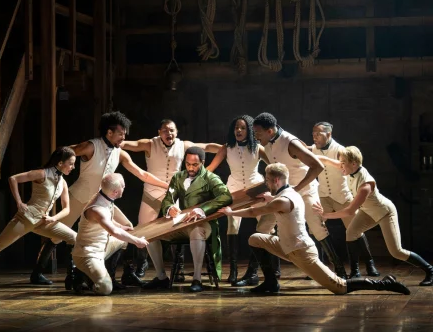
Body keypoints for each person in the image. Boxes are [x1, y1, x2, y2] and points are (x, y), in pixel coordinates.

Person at [218, 163, 410, 295]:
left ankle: (385, 284)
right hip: (286, 246)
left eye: (268, 180)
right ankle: (270, 282)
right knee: (255, 238)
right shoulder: (288, 192)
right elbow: (274, 203)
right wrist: (269, 198)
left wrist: (230, 212)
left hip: (301, 252)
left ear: (276, 181)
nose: (266, 184)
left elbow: (255, 211)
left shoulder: (284, 200)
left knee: (340, 287)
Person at [29, 111, 168, 289]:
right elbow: (63, 153)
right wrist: (46, 174)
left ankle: (120, 275)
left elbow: (141, 173)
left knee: (128, 227)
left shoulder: (120, 153)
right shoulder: (90, 146)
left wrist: (166, 185)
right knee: (57, 237)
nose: (123, 137)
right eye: (121, 133)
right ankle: (40, 273)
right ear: (109, 133)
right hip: (78, 198)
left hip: (100, 202)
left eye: (125, 134)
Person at [0, 147, 78, 293]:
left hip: (44, 221)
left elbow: (67, 209)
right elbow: (13, 179)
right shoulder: (41, 174)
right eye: (71, 164)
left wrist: (53, 218)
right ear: (60, 163)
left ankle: (69, 278)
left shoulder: (62, 182)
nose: (73, 167)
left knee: (73, 237)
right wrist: (19, 202)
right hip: (26, 218)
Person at [313, 146, 433, 287]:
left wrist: (325, 214)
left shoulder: (366, 185)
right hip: (368, 211)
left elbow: (350, 211)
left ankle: (430, 270)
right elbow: (325, 159)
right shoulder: (349, 167)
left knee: (396, 251)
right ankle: (354, 273)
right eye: (341, 162)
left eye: (343, 162)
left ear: (354, 163)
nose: (341, 165)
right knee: (351, 233)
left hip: (384, 212)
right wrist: (306, 155)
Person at [121, 119, 220, 280]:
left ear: (177, 132)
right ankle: (146, 266)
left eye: (172, 130)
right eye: (166, 130)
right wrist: (115, 143)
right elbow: (130, 144)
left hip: (174, 193)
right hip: (151, 192)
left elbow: (207, 147)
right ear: (159, 132)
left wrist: (225, 148)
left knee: (177, 227)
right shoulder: (150, 144)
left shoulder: (183, 145)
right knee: (143, 230)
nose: (169, 134)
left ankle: (178, 268)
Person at [253, 113, 347, 279]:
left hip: (304, 191)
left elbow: (317, 166)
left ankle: (340, 272)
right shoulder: (267, 143)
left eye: (258, 133)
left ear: (269, 131)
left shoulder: (290, 142)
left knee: (317, 228)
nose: (256, 137)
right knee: (262, 229)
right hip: (284, 194)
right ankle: (269, 276)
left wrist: (297, 188)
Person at [142, 146, 232, 292]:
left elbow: (226, 196)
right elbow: (167, 199)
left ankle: (197, 279)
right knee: (150, 236)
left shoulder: (210, 178)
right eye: (188, 164)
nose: (191, 167)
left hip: (204, 224)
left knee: (196, 231)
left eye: (195, 164)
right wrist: (169, 207)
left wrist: (204, 209)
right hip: (181, 224)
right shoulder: (178, 177)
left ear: (202, 162)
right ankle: (161, 277)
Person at [206, 115, 272, 286]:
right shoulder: (227, 148)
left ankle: (264, 269)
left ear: (249, 130)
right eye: (236, 127)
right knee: (232, 226)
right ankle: (233, 271)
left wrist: (271, 187)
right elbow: (210, 169)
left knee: (265, 228)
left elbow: (274, 166)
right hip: (234, 190)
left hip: (256, 189)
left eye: (242, 128)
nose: (239, 131)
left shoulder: (257, 148)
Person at [310, 121, 379, 278]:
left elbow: (343, 167)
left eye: (318, 134)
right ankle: (318, 265)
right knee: (316, 227)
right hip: (323, 195)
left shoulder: (341, 150)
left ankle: (369, 264)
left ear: (329, 134)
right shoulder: (312, 149)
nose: (315, 137)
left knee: (355, 230)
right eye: (313, 134)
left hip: (342, 194)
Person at [72, 173, 149, 295]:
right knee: (105, 288)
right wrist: (136, 241)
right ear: (114, 192)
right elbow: (113, 231)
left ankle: (115, 276)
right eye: (122, 186)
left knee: (124, 239)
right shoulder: (97, 209)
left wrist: (121, 226)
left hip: (102, 246)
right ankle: (82, 274)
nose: (125, 187)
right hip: (88, 254)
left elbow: (108, 220)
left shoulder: (104, 196)